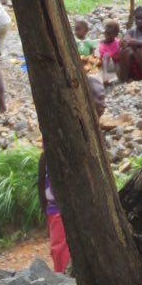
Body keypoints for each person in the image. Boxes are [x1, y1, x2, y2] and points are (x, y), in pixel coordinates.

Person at [38, 76, 106, 273]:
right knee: (63, 258)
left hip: (88, 212)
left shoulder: (94, 135)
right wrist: (46, 210)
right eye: (99, 99)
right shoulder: (63, 132)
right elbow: (44, 167)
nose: (104, 104)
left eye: (104, 99)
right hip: (60, 211)